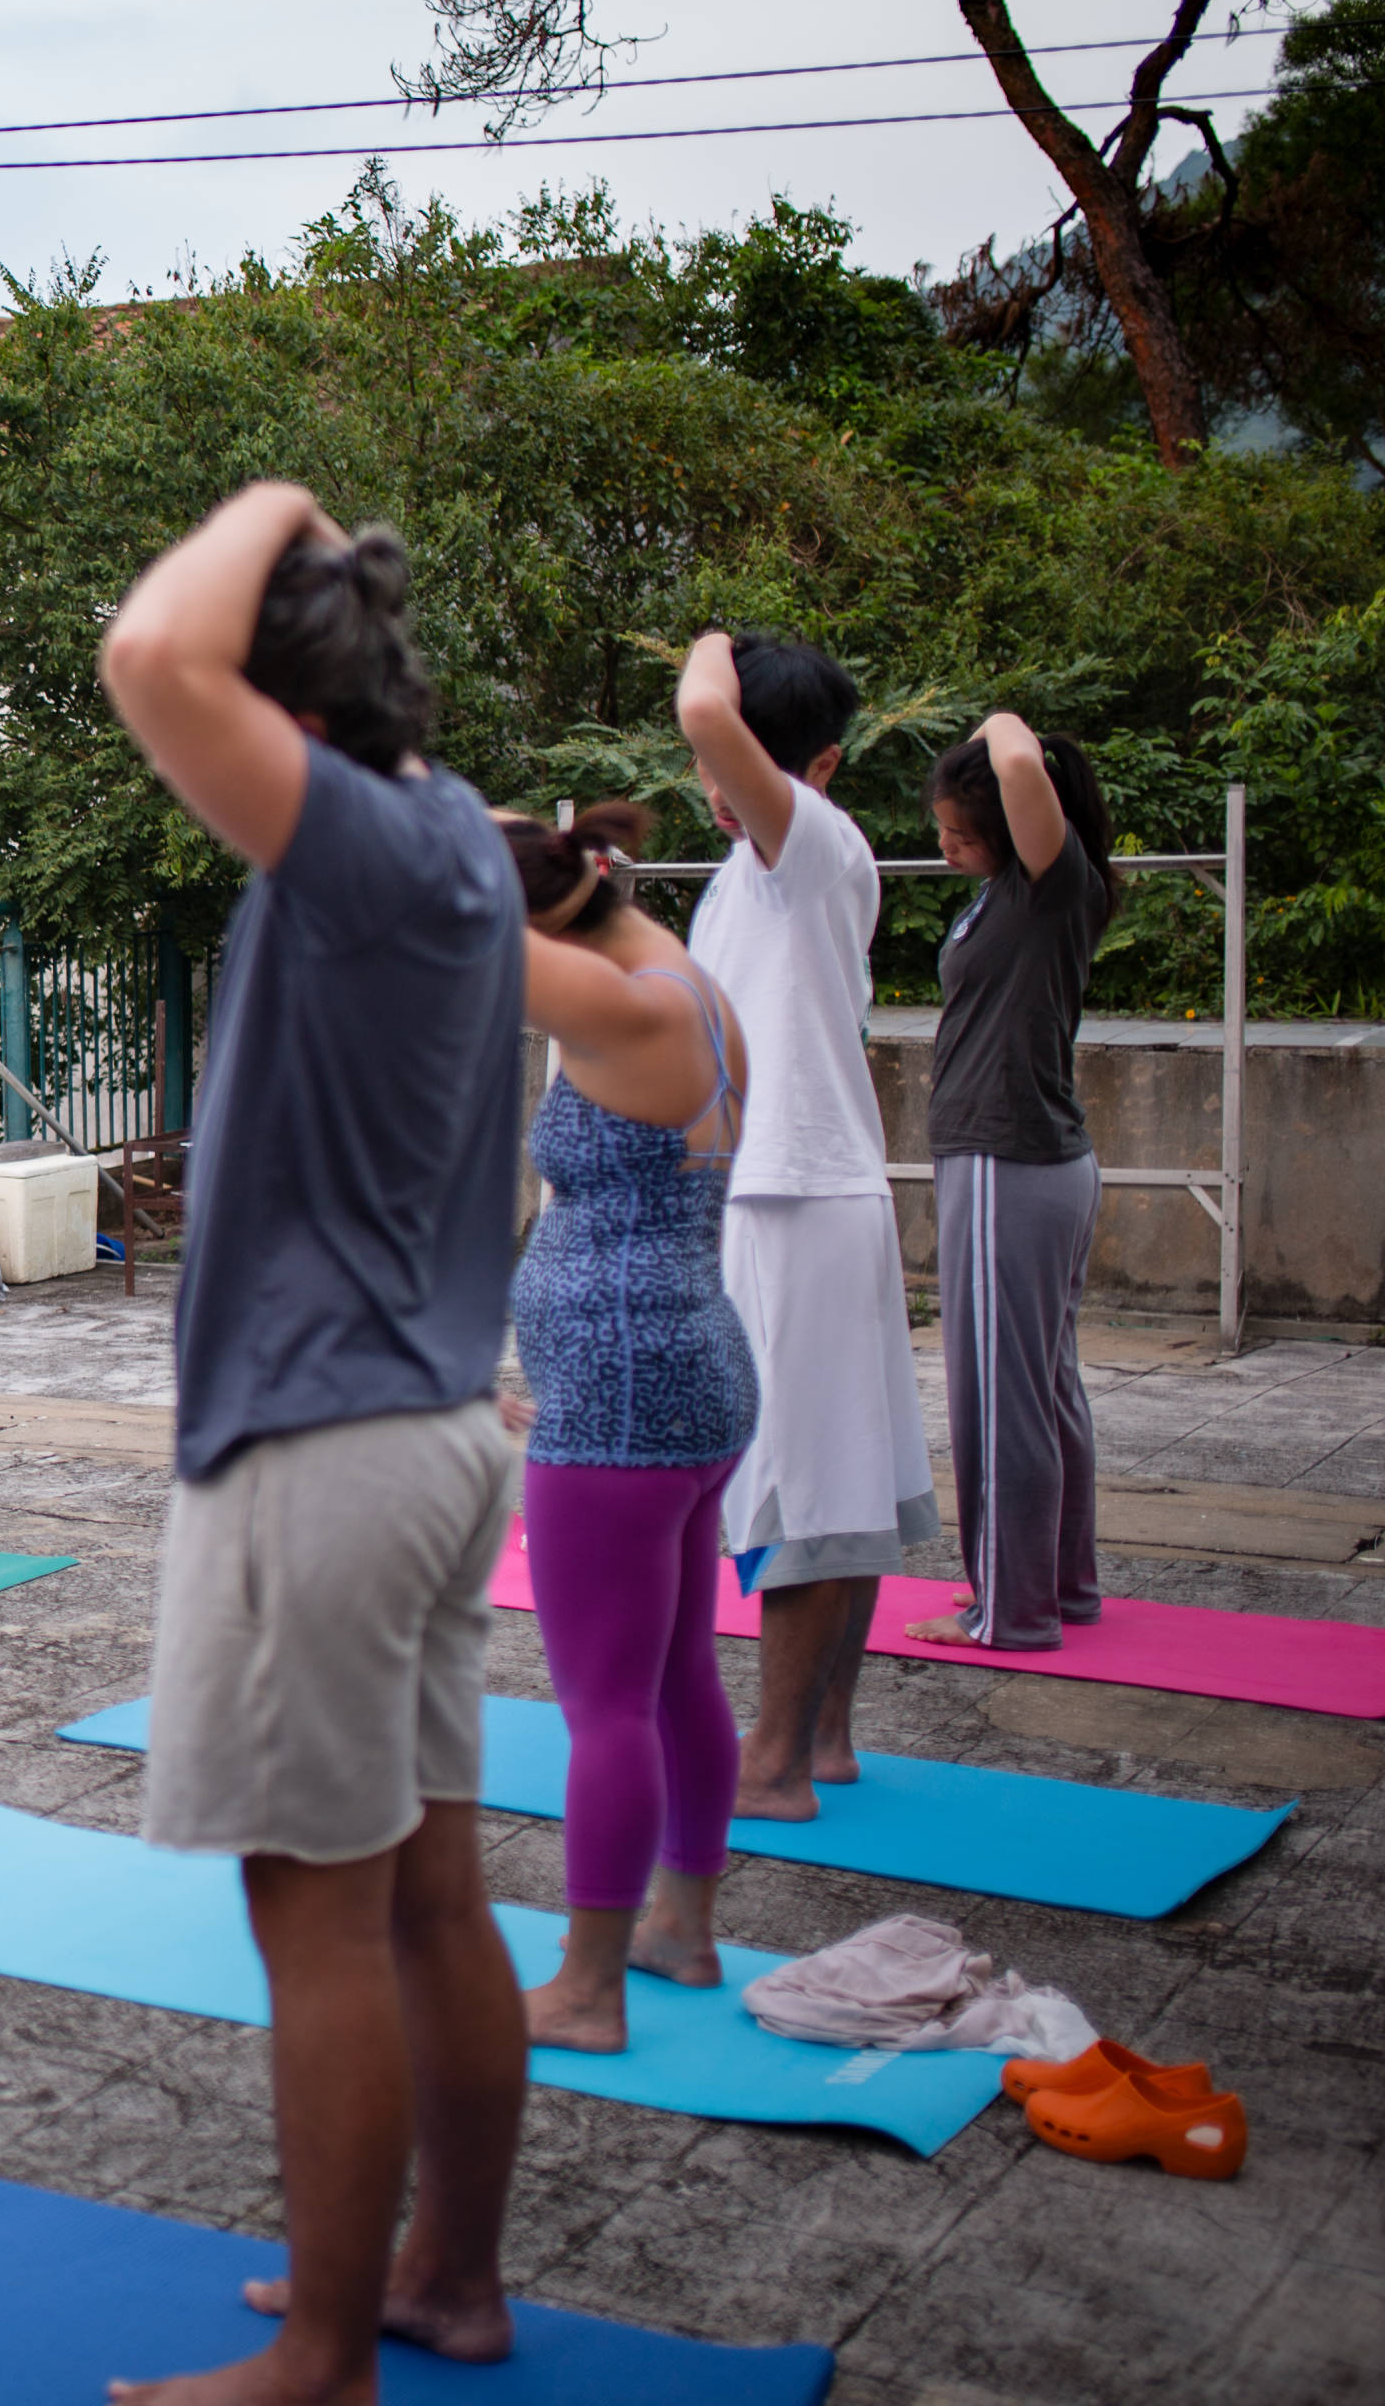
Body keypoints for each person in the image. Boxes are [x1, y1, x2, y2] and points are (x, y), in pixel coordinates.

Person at [97, 485, 527, 2402]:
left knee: (322, 1920)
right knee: (432, 1897)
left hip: (328, 1446)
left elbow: (146, 656)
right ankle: (445, 2279)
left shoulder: (356, 846)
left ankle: (332, 2357)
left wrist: (277, 504)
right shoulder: (454, 837)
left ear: (285, 712)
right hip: (436, 1428)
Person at [497, 802, 759, 2056]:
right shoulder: (691, 986)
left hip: (620, 1388)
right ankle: (679, 1930)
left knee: (606, 1702)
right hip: (690, 1364)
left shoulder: (631, 1010)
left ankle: (588, 1988)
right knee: (674, 1675)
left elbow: (452, 934)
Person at [675, 634, 939, 1815]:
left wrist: (713, 646)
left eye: (740, 771)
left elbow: (701, 710)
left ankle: (775, 1761)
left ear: (820, 768)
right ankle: (823, 1737)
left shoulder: (813, 841)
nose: (715, 791)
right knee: (843, 1472)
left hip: (802, 1195)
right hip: (787, 1188)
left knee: (810, 1486)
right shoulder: (753, 866)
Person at [912, 712, 1118, 1652]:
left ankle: (1011, 1609)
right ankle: (1062, 1589)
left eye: (962, 832)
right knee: (1042, 1385)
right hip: (1023, 1158)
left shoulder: (1052, 882)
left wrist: (995, 721)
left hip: (1009, 1161)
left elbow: (1020, 758)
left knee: (1000, 1397)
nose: (946, 845)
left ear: (1014, 829)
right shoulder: (1007, 890)